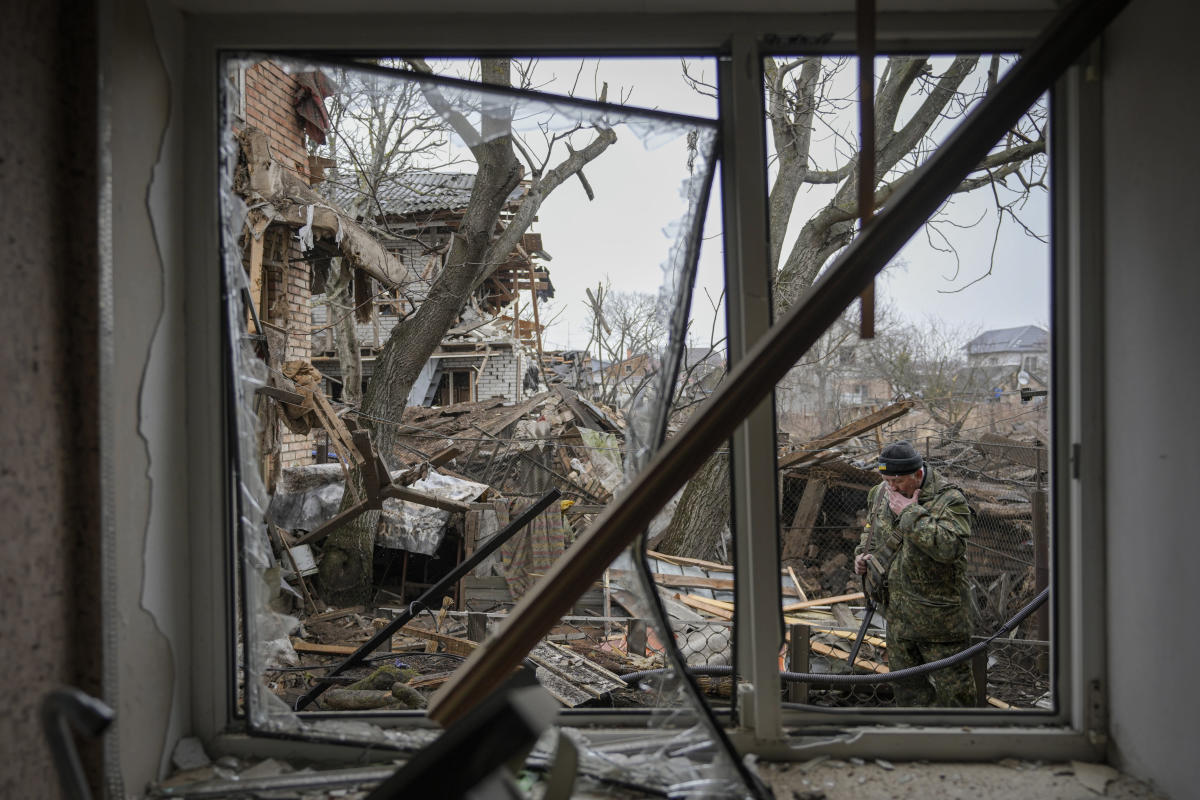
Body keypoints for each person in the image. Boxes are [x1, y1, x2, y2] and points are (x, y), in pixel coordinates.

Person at [854, 440, 975, 707]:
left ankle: (961, 745)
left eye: (897, 482)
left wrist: (910, 512)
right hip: (897, 617)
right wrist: (862, 556)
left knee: (955, 696)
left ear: (918, 475)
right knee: (908, 693)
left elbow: (949, 548)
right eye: (886, 480)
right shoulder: (880, 493)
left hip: (940, 621)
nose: (891, 488)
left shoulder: (949, 499)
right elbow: (871, 532)